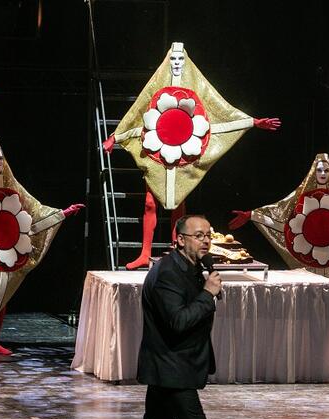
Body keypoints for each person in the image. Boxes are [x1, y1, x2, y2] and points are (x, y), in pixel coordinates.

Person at [101, 42, 280, 270]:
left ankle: (177, 248)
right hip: (159, 150)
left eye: (181, 60)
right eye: (173, 60)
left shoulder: (199, 88)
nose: (177, 64)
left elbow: (221, 114)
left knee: (178, 201)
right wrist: (114, 137)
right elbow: (137, 112)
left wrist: (253, 122)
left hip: (185, 151)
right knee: (149, 203)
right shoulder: (156, 85)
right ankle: (145, 253)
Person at [0, 140, 84, 356]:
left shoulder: (13, 185)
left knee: (3, 296)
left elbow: (34, 209)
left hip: (9, 247)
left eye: (0, 158)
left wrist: (63, 213)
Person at [133, 214, 221, 419]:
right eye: (199, 236)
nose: (205, 241)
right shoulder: (168, 273)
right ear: (180, 240)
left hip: (169, 368)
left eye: (208, 235)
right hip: (172, 368)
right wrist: (207, 295)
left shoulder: (190, 267)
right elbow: (178, 321)